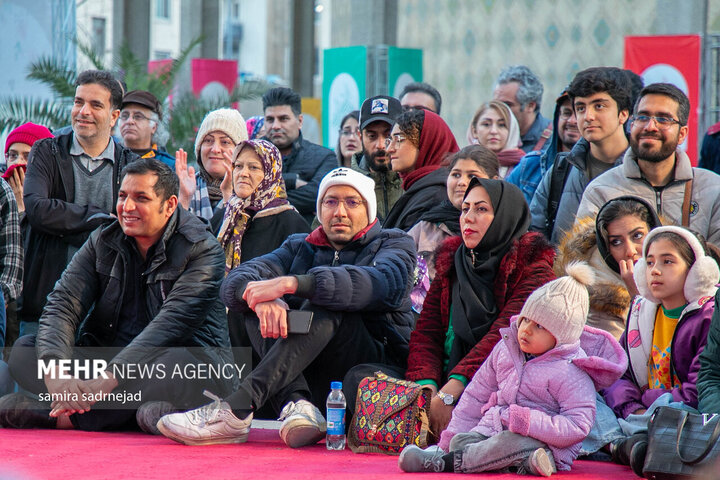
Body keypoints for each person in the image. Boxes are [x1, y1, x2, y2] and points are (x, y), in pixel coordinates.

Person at [156, 167, 416, 449]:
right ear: (319, 209)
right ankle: (299, 405)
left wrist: (291, 284)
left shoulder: (393, 242)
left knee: (328, 299)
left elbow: (381, 283)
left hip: (369, 363)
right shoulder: (300, 246)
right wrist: (259, 295)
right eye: (330, 202)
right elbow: (236, 281)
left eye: (352, 202)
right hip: (307, 368)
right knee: (257, 305)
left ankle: (238, 407)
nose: (340, 211)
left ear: (369, 209)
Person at [0, 158, 235, 432]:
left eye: (141, 198)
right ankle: (137, 414)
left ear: (170, 205)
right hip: (109, 359)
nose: (127, 207)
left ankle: (60, 417)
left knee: (177, 364)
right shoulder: (104, 238)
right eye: (122, 196)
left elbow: (167, 328)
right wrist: (57, 375)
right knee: (25, 352)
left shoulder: (201, 249)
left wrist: (105, 381)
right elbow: (63, 303)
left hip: (175, 361)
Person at [400, 262, 625, 476]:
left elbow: (577, 426)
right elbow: (475, 395)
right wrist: (447, 442)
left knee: (507, 444)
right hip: (494, 429)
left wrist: (525, 421)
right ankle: (522, 465)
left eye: (539, 326)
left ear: (561, 336)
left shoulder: (571, 371)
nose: (525, 330)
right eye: (526, 319)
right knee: (462, 441)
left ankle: (444, 464)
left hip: (544, 444)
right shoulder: (506, 348)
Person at [19, 70, 138, 337]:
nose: (83, 111)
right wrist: (101, 219)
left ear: (114, 116)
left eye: (96, 105)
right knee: (32, 376)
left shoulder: (130, 165)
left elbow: (134, 226)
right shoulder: (47, 151)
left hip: (106, 312)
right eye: (78, 101)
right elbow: (37, 209)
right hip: (45, 306)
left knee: (94, 380)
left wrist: (64, 220)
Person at [604, 226, 718, 473]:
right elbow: (618, 373)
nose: (654, 270)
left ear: (696, 271)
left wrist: (646, 402)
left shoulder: (709, 317)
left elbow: (696, 391)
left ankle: (619, 444)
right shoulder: (639, 313)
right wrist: (632, 408)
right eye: (649, 262)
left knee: (681, 417)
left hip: (682, 414)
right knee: (587, 397)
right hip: (638, 413)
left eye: (668, 261)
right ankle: (634, 443)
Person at [576, 83, 720, 246]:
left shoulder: (712, 189)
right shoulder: (601, 190)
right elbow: (586, 260)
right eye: (642, 117)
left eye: (663, 119)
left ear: (682, 134)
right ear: (631, 125)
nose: (650, 127)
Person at [217, 139, 310, 349]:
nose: (243, 173)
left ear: (271, 173)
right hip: (220, 340)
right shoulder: (227, 217)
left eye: (254, 167)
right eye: (238, 166)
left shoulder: (291, 223)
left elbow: (300, 291)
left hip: (265, 340)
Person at [530, 67, 632, 244]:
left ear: (623, 114)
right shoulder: (561, 170)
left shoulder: (644, 169)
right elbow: (533, 240)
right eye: (580, 108)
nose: (588, 116)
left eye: (599, 106)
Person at [555, 196, 662, 339]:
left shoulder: (680, 271)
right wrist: (636, 296)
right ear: (606, 248)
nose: (630, 251)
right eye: (616, 242)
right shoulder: (600, 300)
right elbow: (641, 351)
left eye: (637, 235)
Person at [407, 145, 499, 311]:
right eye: (456, 174)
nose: (461, 182)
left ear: (494, 181)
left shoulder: (504, 228)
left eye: (472, 175)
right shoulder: (426, 226)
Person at [262, 87, 337, 223]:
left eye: (283, 119)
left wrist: (264, 199)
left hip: (304, 241)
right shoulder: (252, 156)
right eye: (270, 119)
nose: (276, 126)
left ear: (300, 121)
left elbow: (318, 195)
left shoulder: (323, 157)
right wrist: (292, 181)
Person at [383, 109, 459, 231]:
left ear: (427, 142)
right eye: (390, 140)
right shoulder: (420, 189)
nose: (389, 149)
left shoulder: (436, 196)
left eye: (399, 140)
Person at [175, 108, 248, 229]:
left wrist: (229, 197)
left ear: (240, 151)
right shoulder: (181, 188)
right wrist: (184, 199)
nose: (215, 149)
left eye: (225, 142)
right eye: (208, 140)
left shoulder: (254, 195)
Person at [507, 90, 580, 204]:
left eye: (579, 113)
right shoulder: (530, 165)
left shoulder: (598, 171)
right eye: (566, 113)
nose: (572, 121)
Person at [351, 95, 403, 222]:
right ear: (360, 136)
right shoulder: (345, 186)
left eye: (388, 135)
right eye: (372, 136)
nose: (380, 145)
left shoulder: (414, 185)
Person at [493, 65, 552, 153]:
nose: (499, 111)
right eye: (496, 105)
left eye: (507, 105)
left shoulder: (554, 141)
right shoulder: (490, 137)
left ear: (530, 106)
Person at [3, 122, 54, 215]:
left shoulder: (56, 204)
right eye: (13, 155)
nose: (18, 162)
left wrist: (21, 209)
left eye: (28, 156)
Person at [119, 90, 174, 169]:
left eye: (138, 116)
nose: (129, 121)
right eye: (125, 116)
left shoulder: (169, 165)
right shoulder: (110, 158)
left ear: (154, 127)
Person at [468, 101, 525, 178]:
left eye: (501, 125)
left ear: (511, 130)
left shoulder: (524, 166)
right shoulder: (463, 164)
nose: (494, 131)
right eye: (486, 124)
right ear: (474, 131)